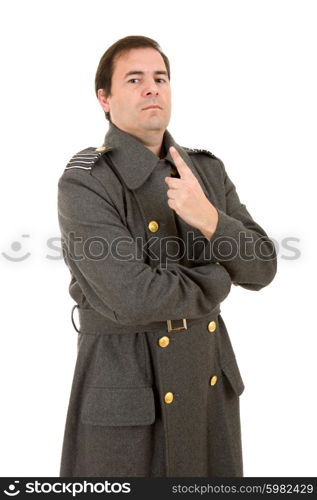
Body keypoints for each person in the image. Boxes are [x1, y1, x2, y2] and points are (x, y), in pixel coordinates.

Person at [57, 35, 277, 477]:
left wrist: (211, 220)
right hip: (127, 384)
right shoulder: (86, 182)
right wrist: (216, 281)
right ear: (105, 98)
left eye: (160, 78)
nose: (152, 88)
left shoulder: (206, 170)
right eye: (134, 79)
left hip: (206, 380)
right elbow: (134, 297)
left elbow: (262, 267)